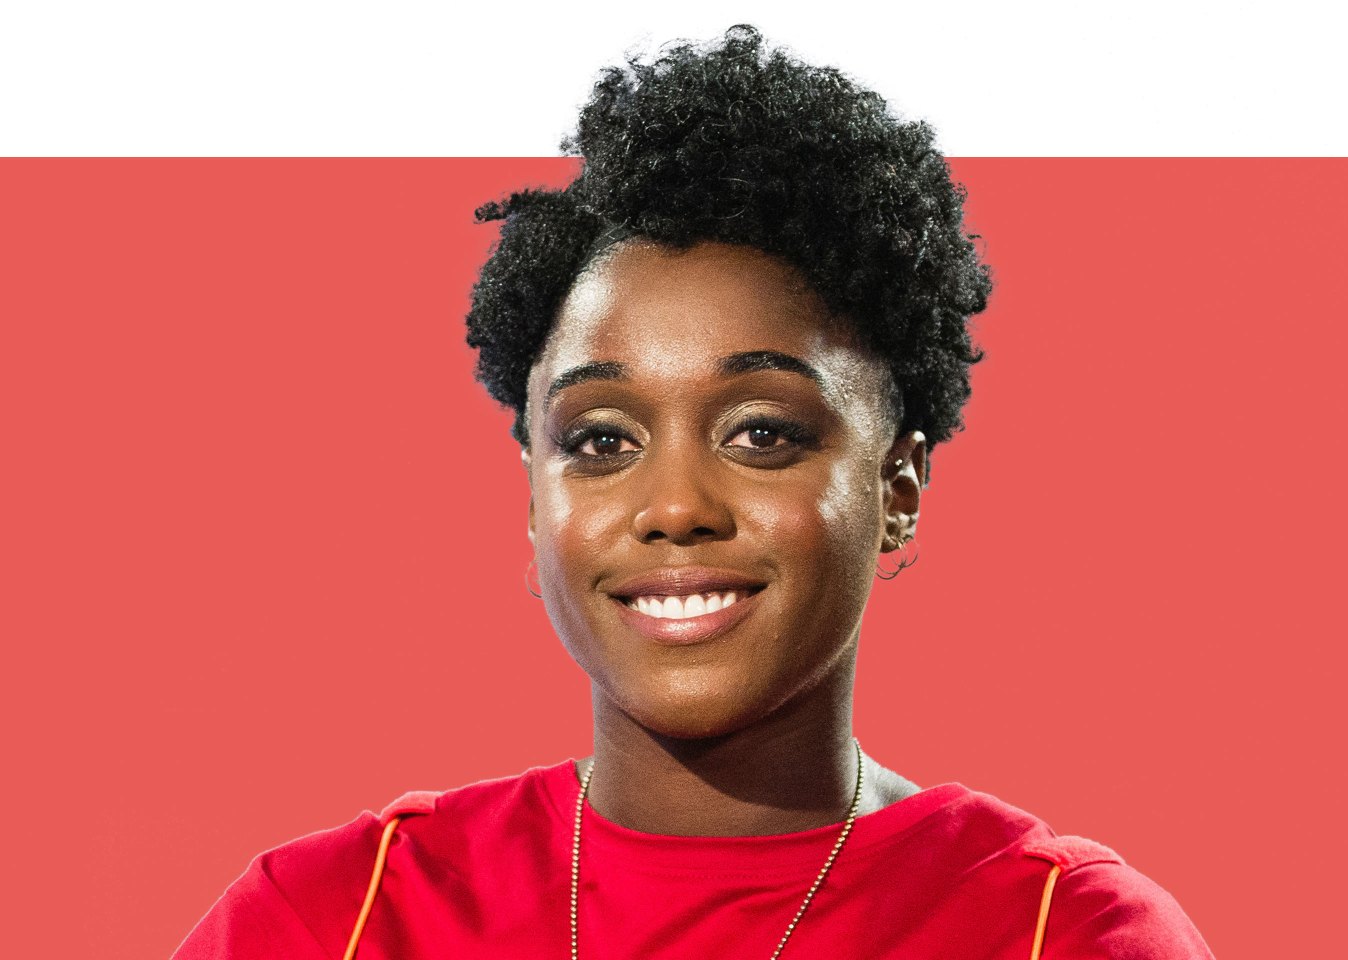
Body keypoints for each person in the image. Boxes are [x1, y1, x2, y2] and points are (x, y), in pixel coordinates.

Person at [174, 25, 1214, 960]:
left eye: (762, 433)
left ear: (897, 484)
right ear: (537, 501)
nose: (674, 507)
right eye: (601, 439)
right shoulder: (335, 920)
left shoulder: (1059, 932)